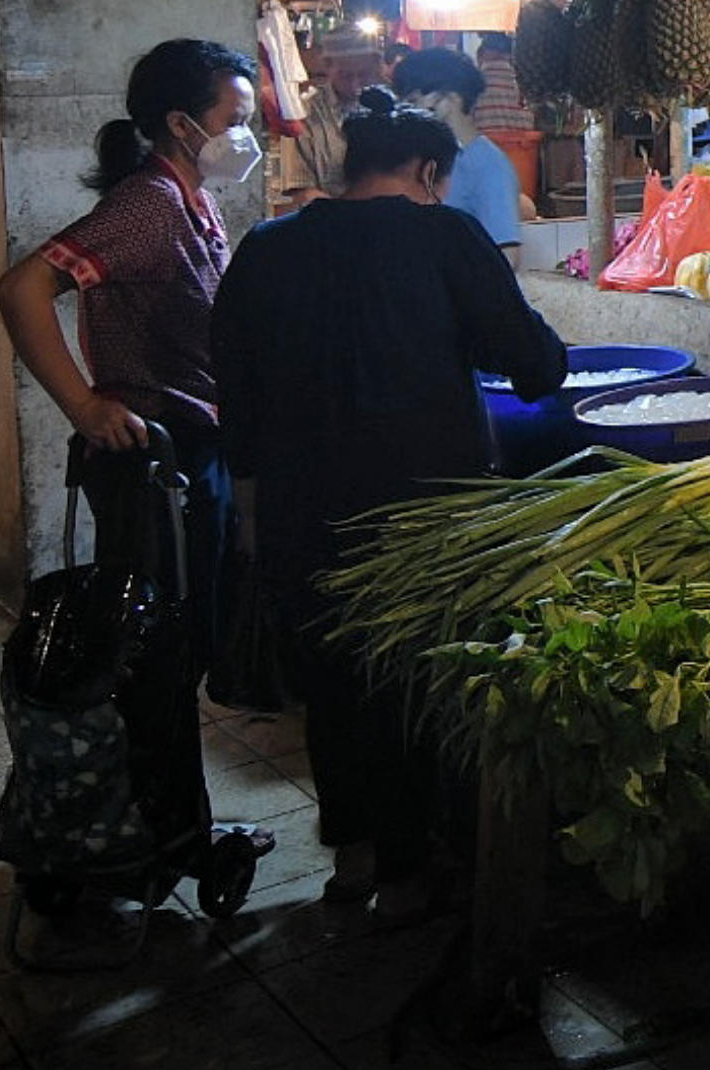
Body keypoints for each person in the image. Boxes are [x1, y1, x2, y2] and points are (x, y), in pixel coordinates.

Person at [212, 91, 566, 917]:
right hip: (423, 513)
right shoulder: (444, 235)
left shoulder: (266, 247)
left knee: (334, 685)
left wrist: (252, 512)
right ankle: (409, 872)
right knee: (418, 681)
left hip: (303, 512)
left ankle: (355, 859)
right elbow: (535, 366)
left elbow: (236, 390)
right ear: (429, 173)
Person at [0, 38, 263, 672]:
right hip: (155, 451)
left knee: (185, 637)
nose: (245, 137)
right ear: (181, 125)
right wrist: (84, 407)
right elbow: (21, 288)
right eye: (234, 121)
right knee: (156, 648)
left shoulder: (193, 197)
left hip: (192, 440)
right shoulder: (149, 203)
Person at [392, 44, 523, 252]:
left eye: (414, 101)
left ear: (450, 100)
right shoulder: (429, 158)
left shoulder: (488, 164)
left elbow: (506, 253)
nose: (407, 113)